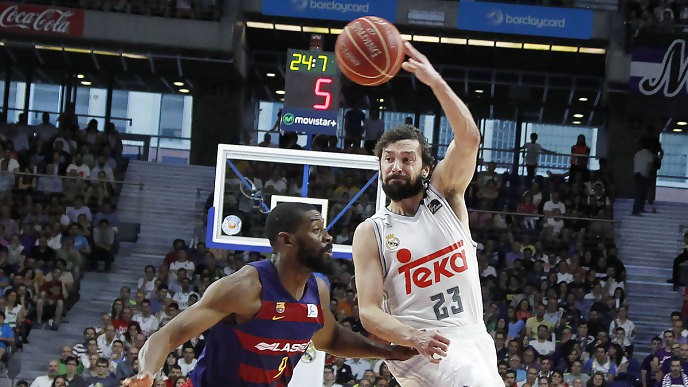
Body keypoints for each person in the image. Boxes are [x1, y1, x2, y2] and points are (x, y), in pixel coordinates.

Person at [125, 202, 415, 387]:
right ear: (286, 241)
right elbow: (164, 337)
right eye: (316, 230)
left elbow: (332, 338)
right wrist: (147, 374)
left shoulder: (319, 290)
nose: (328, 237)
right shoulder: (245, 288)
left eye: (325, 229)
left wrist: (387, 352)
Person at [352, 42, 502, 386]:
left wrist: (435, 82)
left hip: (474, 337)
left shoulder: (446, 195)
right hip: (421, 345)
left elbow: (469, 139)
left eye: (407, 159)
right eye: (388, 159)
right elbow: (370, 312)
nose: (396, 166)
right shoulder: (371, 231)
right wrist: (413, 336)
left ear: (425, 168)